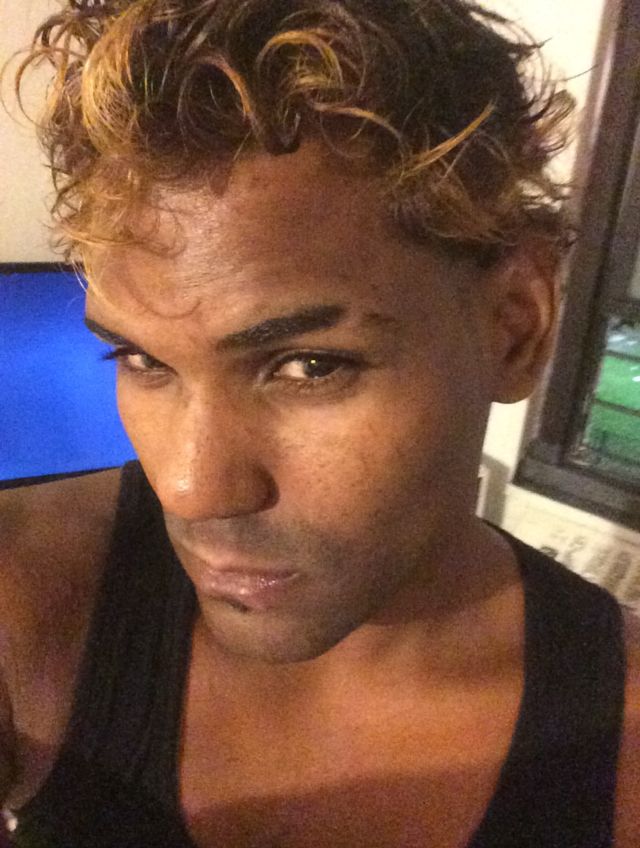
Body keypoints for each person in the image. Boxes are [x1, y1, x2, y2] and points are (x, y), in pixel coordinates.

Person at [2, 0, 639, 845]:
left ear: (515, 328)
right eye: (143, 360)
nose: (190, 489)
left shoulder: (621, 731)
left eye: (310, 365)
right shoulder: (25, 596)